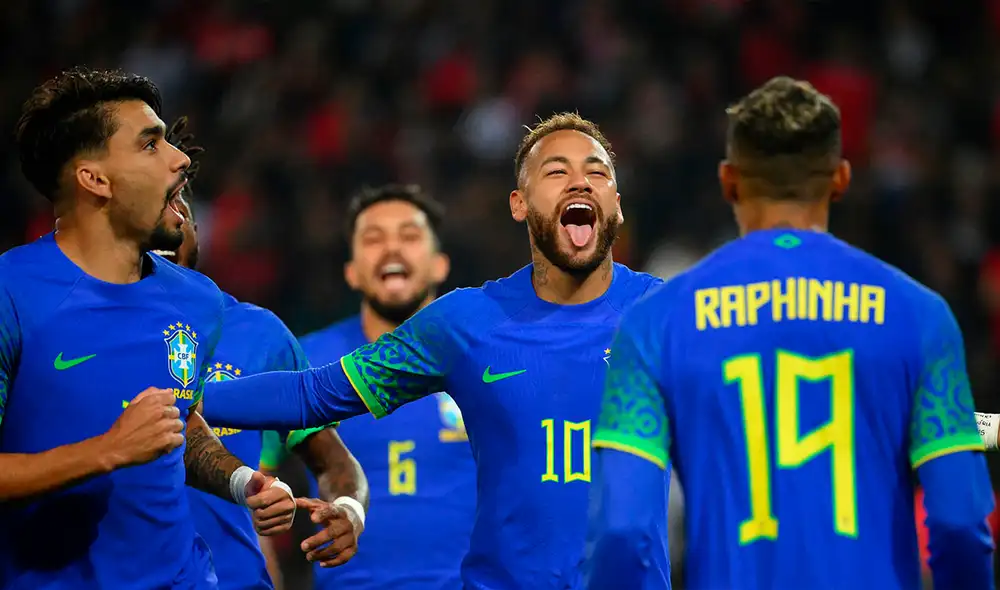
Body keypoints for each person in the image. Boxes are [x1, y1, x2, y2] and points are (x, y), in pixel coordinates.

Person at [201, 113, 672, 588]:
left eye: (596, 172)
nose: (579, 184)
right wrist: (186, 403)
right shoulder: (466, 323)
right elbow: (313, 394)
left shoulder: (665, 315)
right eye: (556, 172)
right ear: (519, 204)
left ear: (617, 202)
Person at [585, 76, 995, 589]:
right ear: (840, 179)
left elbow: (622, 530)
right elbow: (958, 521)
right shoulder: (919, 315)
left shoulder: (655, 323)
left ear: (729, 181)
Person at [0, 67, 296, 589]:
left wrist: (240, 480)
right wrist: (105, 450)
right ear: (95, 179)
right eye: (149, 145)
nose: (180, 158)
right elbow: (128, 442)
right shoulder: (12, 292)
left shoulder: (197, 300)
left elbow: (178, 425)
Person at [159, 117, 369, 589]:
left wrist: (348, 510)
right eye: (156, 206)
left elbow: (334, 462)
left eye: (180, 206)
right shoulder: (84, 327)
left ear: (197, 227)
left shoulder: (258, 332)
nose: (170, 221)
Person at [260, 183, 476, 589]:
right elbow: (249, 483)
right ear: (352, 271)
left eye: (409, 236)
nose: (392, 250)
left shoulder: (485, 362)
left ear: (440, 264)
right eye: (373, 238)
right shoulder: (304, 363)